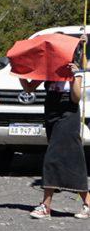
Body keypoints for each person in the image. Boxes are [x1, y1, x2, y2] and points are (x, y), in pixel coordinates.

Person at [22, 37, 88, 219]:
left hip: (68, 113)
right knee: (72, 157)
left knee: (53, 156)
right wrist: (19, 69)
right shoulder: (49, 68)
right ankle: (88, 202)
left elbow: (75, 98)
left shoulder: (76, 69)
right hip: (51, 112)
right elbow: (29, 88)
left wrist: (76, 75)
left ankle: (46, 205)